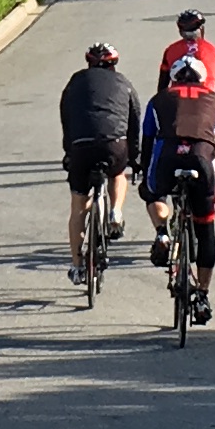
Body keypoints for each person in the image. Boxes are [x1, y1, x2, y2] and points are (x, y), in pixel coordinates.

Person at [140, 41, 215, 318]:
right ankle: (202, 294)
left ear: (173, 79)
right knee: (206, 228)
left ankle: (162, 232)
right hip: (202, 162)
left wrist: (145, 176)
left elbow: (147, 142)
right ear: (204, 79)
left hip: (168, 159)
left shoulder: (159, 99)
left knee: (153, 192)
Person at [145, 11, 215, 257]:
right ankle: (214, 191)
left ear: (179, 30)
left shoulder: (170, 50)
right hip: (208, 107)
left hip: (175, 106)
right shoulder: (212, 49)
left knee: (162, 165)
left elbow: (161, 83)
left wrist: (162, 102)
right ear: (202, 29)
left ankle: (164, 229)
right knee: (214, 148)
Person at [59, 40, 136, 282]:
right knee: (117, 173)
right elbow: (134, 120)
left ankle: (77, 266)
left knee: (78, 208)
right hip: (114, 144)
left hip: (81, 145)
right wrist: (136, 156)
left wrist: (69, 151)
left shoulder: (74, 82)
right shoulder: (123, 83)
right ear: (113, 65)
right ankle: (115, 212)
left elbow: (66, 118)